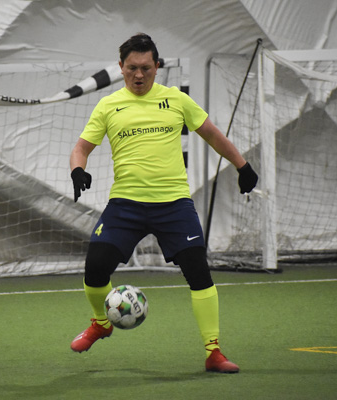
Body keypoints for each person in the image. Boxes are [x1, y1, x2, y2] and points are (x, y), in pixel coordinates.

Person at [69, 33, 258, 373]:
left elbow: (212, 134)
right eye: (131, 68)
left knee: (199, 273)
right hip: (125, 205)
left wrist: (242, 166)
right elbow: (81, 147)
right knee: (95, 267)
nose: (138, 75)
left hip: (174, 205)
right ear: (121, 67)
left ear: (157, 66)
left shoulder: (176, 100)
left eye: (145, 68)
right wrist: (77, 170)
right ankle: (101, 322)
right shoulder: (109, 105)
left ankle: (213, 352)